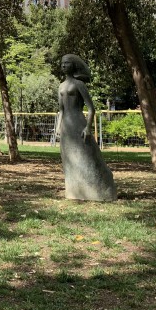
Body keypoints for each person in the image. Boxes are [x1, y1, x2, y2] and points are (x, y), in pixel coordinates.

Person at [57, 54, 116, 201]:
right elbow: (61, 110)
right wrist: (58, 127)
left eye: (67, 63)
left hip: (79, 123)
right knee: (69, 158)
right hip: (66, 126)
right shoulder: (61, 86)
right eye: (62, 63)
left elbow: (91, 108)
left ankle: (100, 189)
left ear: (74, 66)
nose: (64, 66)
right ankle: (74, 190)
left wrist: (88, 127)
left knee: (87, 156)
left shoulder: (79, 85)